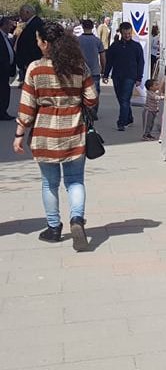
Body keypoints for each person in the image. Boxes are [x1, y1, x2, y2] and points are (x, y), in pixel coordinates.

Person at [13, 21, 98, 251]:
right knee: (75, 180)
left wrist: (19, 133)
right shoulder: (79, 66)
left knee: (49, 183)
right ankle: (77, 219)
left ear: (45, 43)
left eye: (38, 40)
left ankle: (53, 228)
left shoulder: (35, 68)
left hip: (45, 132)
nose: (37, 43)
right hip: (74, 130)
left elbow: (27, 108)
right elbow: (92, 98)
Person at [103, 21, 144, 131]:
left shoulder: (136, 46)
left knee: (125, 99)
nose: (127, 35)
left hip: (130, 76)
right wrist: (105, 74)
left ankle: (121, 122)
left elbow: (141, 62)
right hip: (117, 76)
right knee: (121, 99)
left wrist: (139, 78)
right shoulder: (115, 46)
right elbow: (109, 62)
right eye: (125, 34)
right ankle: (129, 118)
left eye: (129, 33)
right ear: (121, 33)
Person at [77, 19, 106, 119]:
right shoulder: (97, 41)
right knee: (95, 93)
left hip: (80, 71)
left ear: (83, 27)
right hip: (94, 71)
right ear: (93, 27)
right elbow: (102, 57)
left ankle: (82, 111)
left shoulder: (77, 40)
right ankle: (93, 112)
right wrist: (103, 69)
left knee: (80, 92)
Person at [14, 4, 43, 83]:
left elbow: (32, 44)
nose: (20, 16)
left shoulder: (35, 23)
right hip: (28, 62)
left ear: (27, 12)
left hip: (31, 61)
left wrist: (28, 62)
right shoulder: (31, 23)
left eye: (21, 14)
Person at [0, 16, 16, 120]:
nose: (11, 27)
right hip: (1, 69)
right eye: (9, 25)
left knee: (5, 91)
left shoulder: (7, 37)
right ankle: (2, 112)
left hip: (6, 70)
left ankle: (3, 111)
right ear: (4, 25)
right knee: (3, 91)